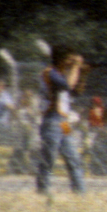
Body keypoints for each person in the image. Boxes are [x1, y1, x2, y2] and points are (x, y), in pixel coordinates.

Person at [32, 47, 85, 196]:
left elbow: (75, 91)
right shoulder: (49, 73)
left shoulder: (62, 74)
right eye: (69, 59)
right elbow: (67, 85)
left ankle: (80, 192)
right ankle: (43, 191)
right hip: (52, 122)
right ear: (60, 59)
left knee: (73, 157)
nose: (70, 63)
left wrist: (81, 72)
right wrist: (75, 67)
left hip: (64, 123)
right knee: (49, 157)